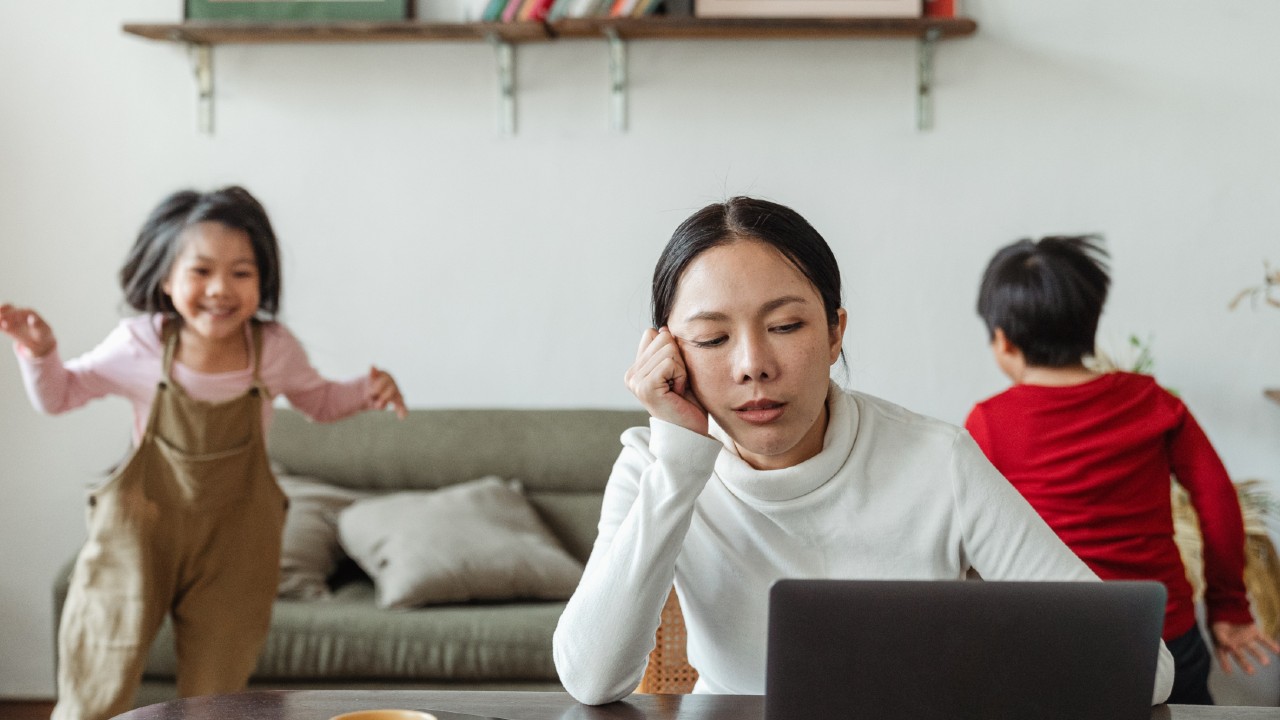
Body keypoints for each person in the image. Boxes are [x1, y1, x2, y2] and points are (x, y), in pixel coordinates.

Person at [551, 197, 1173, 706]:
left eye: (787, 326)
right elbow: (590, 677)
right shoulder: (653, 466)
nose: (753, 367)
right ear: (669, 353)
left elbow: (1144, 670)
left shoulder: (939, 461)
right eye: (712, 338)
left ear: (834, 332)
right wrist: (680, 461)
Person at [1, 186, 408, 720]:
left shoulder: (274, 350)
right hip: (137, 536)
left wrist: (365, 391)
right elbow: (60, 396)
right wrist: (40, 353)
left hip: (235, 544)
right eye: (201, 271)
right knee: (96, 678)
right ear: (166, 279)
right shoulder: (139, 344)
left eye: (241, 272)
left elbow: (320, 402)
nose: (221, 288)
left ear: (263, 281)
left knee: (216, 700)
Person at [964, 235, 1278, 705]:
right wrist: (1228, 605)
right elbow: (1217, 499)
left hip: (1055, 642)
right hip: (1165, 636)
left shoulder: (988, 422)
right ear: (1091, 325)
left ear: (1003, 341)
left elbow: (970, 534)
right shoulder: (1153, 402)